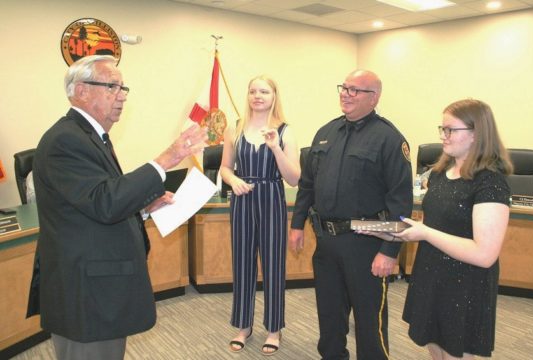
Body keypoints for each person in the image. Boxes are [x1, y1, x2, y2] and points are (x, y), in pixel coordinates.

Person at [26, 55, 207, 360]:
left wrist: (144, 208)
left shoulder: (92, 137)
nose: (122, 95)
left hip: (99, 288)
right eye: (112, 86)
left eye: (123, 88)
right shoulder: (65, 140)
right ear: (81, 90)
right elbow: (105, 202)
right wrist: (166, 159)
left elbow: (98, 203)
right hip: (85, 294)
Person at [373, 99, 512, 359]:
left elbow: (485, 254)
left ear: (476, 134)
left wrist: (424, 233)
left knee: (454, 353)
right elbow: (437, 226)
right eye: (442, 129)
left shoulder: (490, 182)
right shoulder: (440, 173)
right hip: (432, 273)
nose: (443, 136)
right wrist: (398, 231)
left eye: (451, 130)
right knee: (435, 348)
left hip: (465, 283)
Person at [289, 69, 413, 360]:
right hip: (327, 242)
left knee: (370, 320)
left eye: (355, 90)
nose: (346, 94)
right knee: (329, 314)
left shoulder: (389, 139)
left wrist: (389, 251)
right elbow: (307, 185)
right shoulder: (325, 133)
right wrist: (297, 225)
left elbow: (400, 202)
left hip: (366, 243)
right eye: (344, 88)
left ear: (374, 97)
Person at [220, 75, 300, 355]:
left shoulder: (285, 131)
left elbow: (294, 178)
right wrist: (233, 181)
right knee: (242, 264)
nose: (257, 96)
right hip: (242, 200)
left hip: (271, 198)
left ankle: (274, 329)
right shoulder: (236, 127)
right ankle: (243, 326)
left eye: (264, 91)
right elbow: (225, 168)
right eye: (253, 91)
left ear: (274, 96)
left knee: (273, 265)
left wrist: (275, 147)